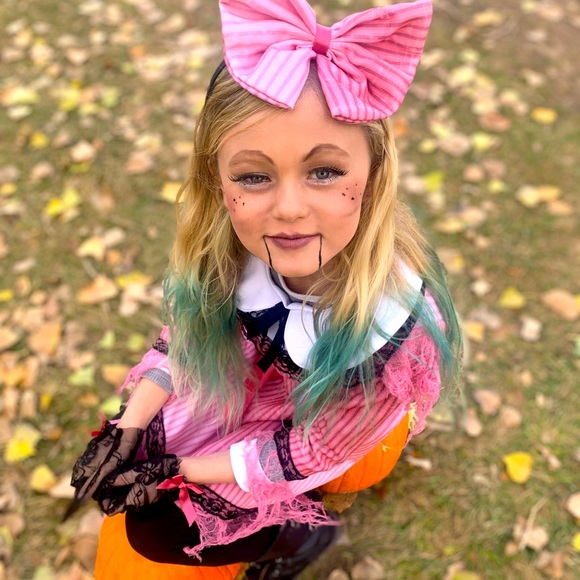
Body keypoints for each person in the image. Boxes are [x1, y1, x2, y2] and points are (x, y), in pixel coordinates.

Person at [70, 0, 462, 577]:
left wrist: (183, 470)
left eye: (324, 171)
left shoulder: (393, 331)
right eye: (254, 176)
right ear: (218, 181)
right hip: (244, 388)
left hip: (324, 439)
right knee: (142, 488)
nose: (289, 208)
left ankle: (300, 540)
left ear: (375, 174)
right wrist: (128, 427)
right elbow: (184, 341)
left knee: (170, 530)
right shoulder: (230, 252)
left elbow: (313, 450)